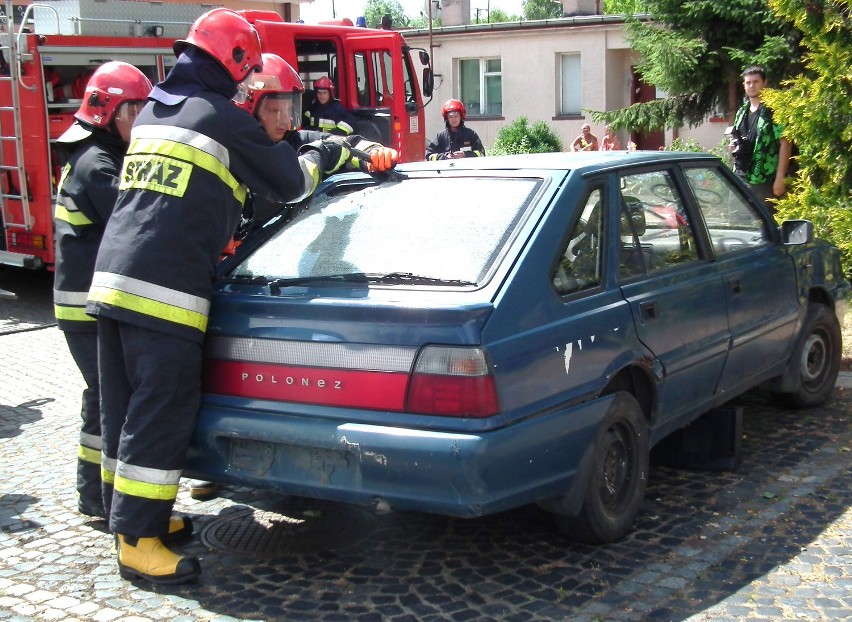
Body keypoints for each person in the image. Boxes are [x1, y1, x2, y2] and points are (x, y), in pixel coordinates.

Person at [85, 8, 352, 585]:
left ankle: (129, 516)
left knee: (123, 405)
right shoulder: (221, 118)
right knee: (161, 409)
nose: (247, 83)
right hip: (165, 290)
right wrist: (329, 153)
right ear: (233, 63)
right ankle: (138, 541)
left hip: (113, 280)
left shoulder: (158, 107)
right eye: (246, 71)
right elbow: (290, 183)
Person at [53, 61, 162, 522]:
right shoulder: (98, 165)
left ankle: (94, 496)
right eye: (137, 109)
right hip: (84, 306)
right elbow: (133, 219)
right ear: (111, 110)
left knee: (99, 396)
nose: (143, 120)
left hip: (79, 299)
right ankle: (97, 498)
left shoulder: (92, 153)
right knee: (104, 397)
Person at [238, 53, 397, 231]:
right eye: (275, 111)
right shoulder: (234, 153)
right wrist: (320, 153)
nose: (284, 121)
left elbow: (344, 143)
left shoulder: (296, 139)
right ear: (251, 108)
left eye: (288, 110)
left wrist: (373, 152)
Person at [729, 65, 791, 205]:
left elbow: (785, 143)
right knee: (738, 223)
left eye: (756, 82)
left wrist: (780, 178)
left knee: (766, 224)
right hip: (740, 177)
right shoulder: (741, 112)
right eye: (748, 82)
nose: (752, 86)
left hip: (765, 179)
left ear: (764, 83)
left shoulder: (774, 110)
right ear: (744, 85)